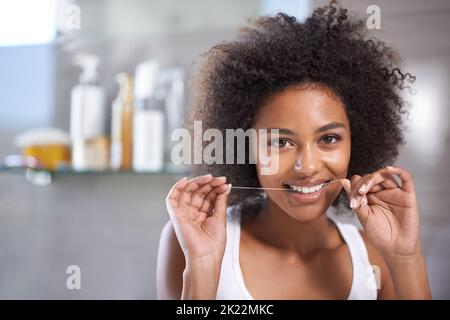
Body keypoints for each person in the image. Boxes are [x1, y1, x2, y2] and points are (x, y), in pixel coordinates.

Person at [157, 1, 431, 300]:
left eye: (328, 139)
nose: (307, 166)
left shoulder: (376, 258)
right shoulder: (192, 240)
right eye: (280, 142)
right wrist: (203, 264)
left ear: (357, 139)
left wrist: (406, 258)